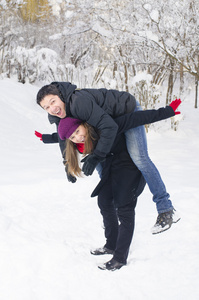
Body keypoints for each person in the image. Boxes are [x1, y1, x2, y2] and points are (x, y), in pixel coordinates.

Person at [36, 81, 181, 234]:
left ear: (61, 96)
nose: (52, 108)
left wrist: (97, 155)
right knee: (103, 168)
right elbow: (63, 136)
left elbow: (110, 127)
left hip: (126, 112)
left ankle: (166, 208)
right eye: (46, 107)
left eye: (53, 101)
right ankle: (111, 216)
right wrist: (67, 165)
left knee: (139, 158)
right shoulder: (58, 114)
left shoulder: (79, 102)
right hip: (106, 122)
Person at [55, 103, 180, 270]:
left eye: (78, 131)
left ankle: (120, 258)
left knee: (124, 208)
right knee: (104, 201)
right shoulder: (79, 142)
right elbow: (59, 137)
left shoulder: (103, 126)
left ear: (83, 124)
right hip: (111, 169)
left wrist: (167, 112)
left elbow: (135, 118)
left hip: (129, 168)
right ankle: (111, 244)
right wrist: (46, 138)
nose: (78, 137)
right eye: (73, 137)